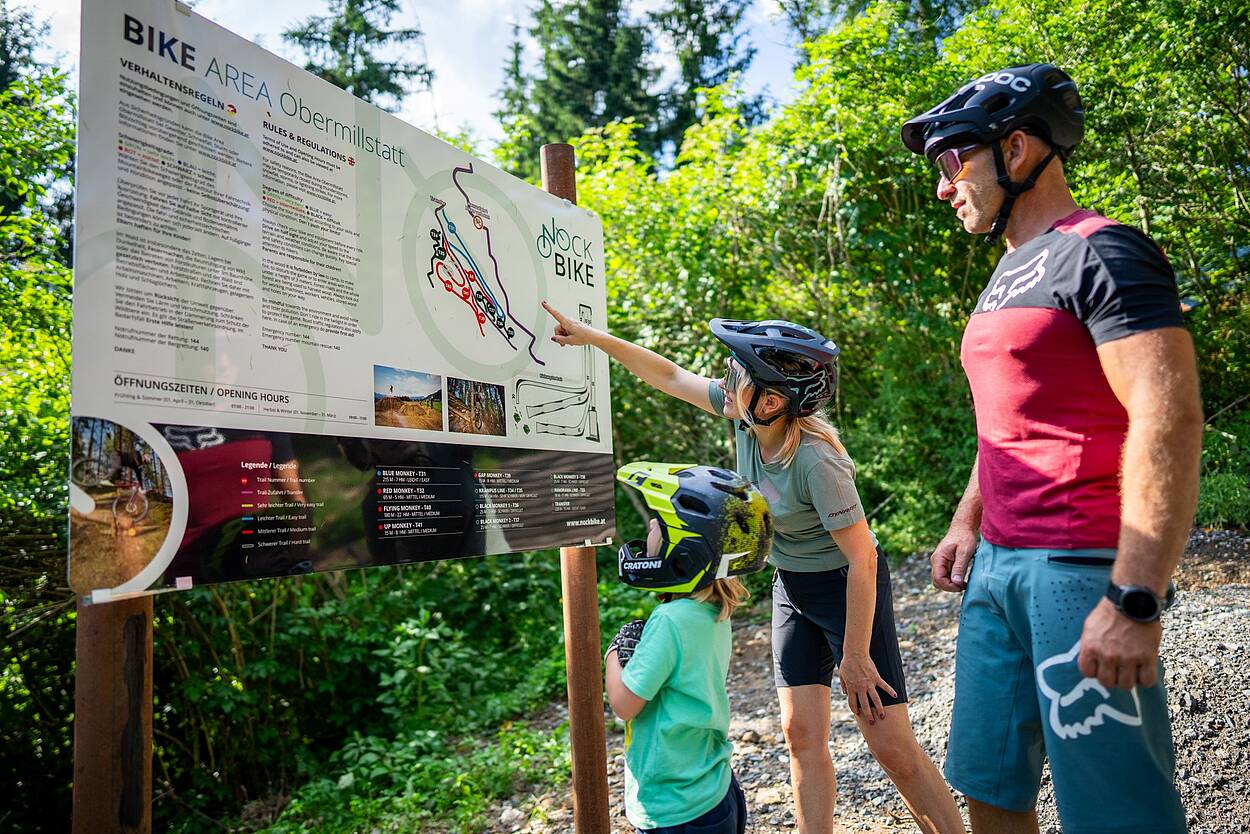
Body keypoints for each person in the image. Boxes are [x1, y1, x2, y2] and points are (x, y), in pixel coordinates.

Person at [902, 63, 1203, 833]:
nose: (944, 186)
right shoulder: (1006, 273)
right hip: (997, 567)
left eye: (952, 161)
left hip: (1079, 566)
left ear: (1019, 148)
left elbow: (1167, 420)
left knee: (1116, 811)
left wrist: (1135, 596)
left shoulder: (1102, 251)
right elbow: (1010, 416)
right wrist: (968, 519)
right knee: (991, 790)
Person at [549, 303, 964, 834]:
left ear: (771, 400)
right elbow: (670, 375)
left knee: (889, 743)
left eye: (737, 374)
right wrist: (592, 338)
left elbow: (863, 558)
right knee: (800, 735)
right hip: (792, 585)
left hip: (847, 586)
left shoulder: (817, 460)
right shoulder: (747, 418)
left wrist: (856, 655)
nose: (727, 380)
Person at [605, 461, 773, 834]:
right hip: (715, 792)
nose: (649, 529)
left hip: (675, 807)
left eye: (658, 525)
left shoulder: (669, 621)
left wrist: (614, 653)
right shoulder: (715, 610)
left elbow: (624, 704)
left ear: (686, 550)